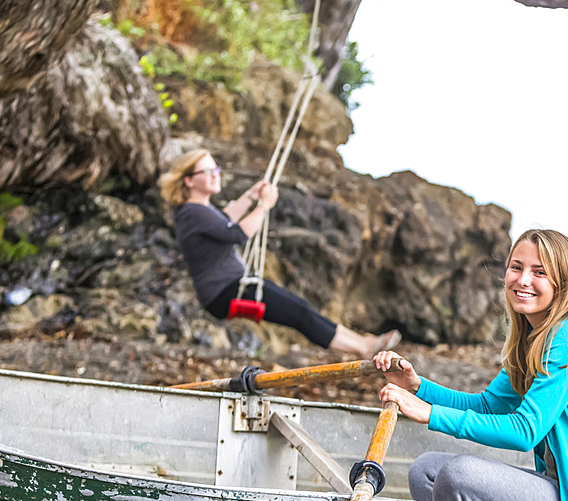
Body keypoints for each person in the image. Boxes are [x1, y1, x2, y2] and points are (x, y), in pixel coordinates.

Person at [373, 228, 568, 501]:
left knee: (457, 475)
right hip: (565, 484)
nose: (523, 280)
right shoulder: (532, 337)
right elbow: (487, 405)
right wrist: (416, 386)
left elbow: (525, 432)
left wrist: (430, 414)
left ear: (561, 283)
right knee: (425, 470)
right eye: (516, 267)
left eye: (539, 272)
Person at [158, 149, 400, 359]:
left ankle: (363, 343)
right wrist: (264, 206)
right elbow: (239, 233)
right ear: (189, 181)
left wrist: (250, 196)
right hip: (226, 289)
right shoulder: (193, 211)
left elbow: (224, 219)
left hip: (229, 287)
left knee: (301, 308)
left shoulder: (196, 211)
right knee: (299, 313)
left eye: (216, 169)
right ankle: (362, 347)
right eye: (207, 171)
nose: (215, 174)